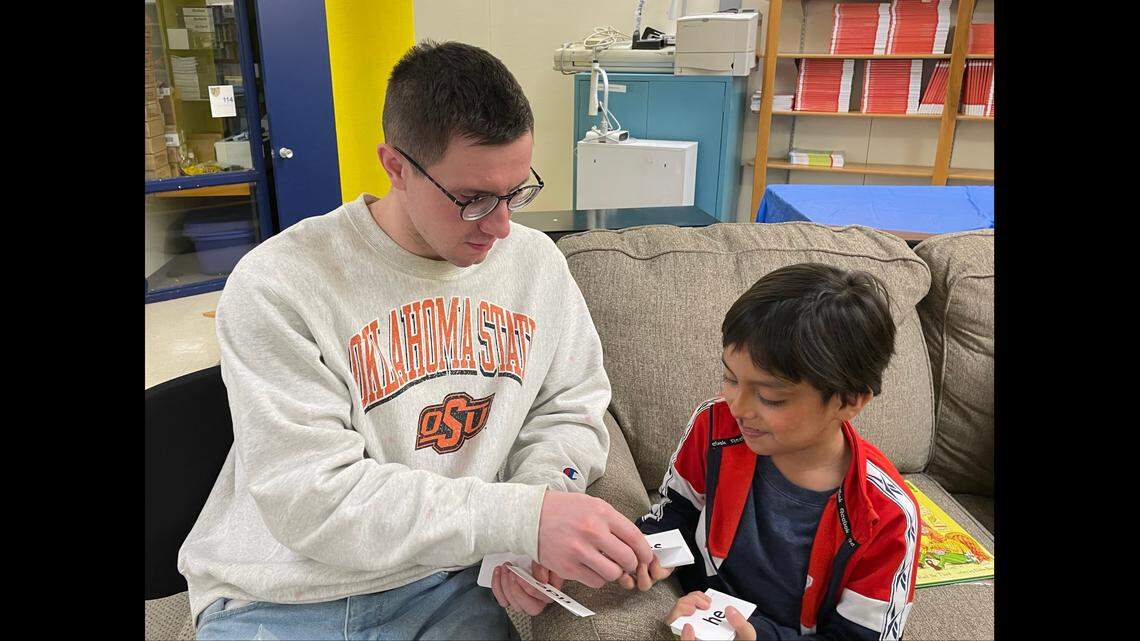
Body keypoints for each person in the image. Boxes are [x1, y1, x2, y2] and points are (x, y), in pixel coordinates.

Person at [178, 40, 653, 640]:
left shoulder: (536, 266)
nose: (503, 227)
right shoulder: (281, 283)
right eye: (474, 199)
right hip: (277, 595)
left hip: (439, 587)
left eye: (516, 192)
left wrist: (544, 498)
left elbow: (568, 406)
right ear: (396, 166)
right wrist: (522, 517)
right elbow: (314, 499)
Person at [619, 263, 922, 640]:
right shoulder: (715, 427)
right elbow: (678, 510)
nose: (738, 406)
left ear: (850, 401)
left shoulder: (886, 515)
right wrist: (649, 552)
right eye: (730, 377)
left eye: (771, 397)